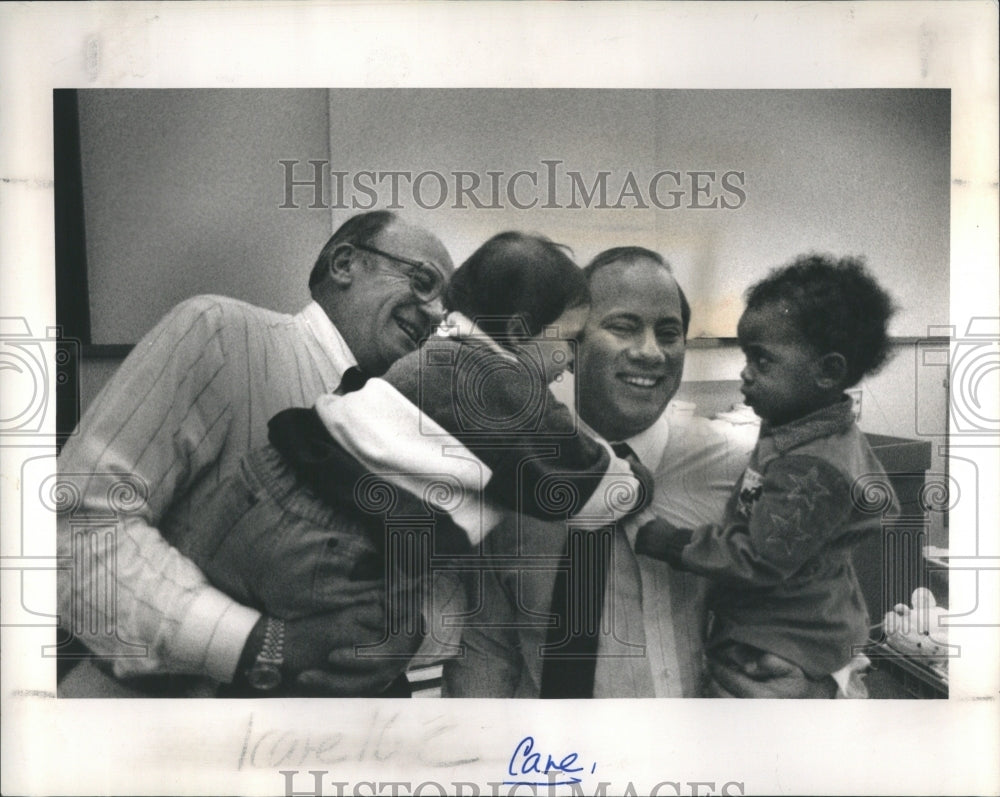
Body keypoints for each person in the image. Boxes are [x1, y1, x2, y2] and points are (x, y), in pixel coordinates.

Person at [184, 232, 651, 695]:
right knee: (380, 644)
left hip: (254, 493)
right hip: (333, 541)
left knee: (204, 652)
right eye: (567, 341)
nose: (570, 362)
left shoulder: (433, 354)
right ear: (516, 331)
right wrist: (636, 479)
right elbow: (589, 495)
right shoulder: (506, 389)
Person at [56, 210, 454, 697]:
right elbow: (74, 528)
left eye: (447, 307)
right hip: (158, 741)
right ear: (345, 263)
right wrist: (259, 645)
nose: (436, 314)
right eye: (423, 280)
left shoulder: (405, 426)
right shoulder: (220, 333)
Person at [443, 246, 850, 698]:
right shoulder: (512, 477)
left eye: (669, 332)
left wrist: (822, 688)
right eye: (623, 326)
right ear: (572, 344)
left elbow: (828, 600)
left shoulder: (744, 471)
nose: (651, 353)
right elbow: (486, 648)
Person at [635, 255, 898, 694]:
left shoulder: (812, 467)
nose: (745, 371)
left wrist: (670, 542)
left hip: (785, 640)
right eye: (746, 355)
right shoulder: (801, 433)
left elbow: (757, 558)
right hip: (797, 625)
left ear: (827, 372)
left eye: (761, 359)